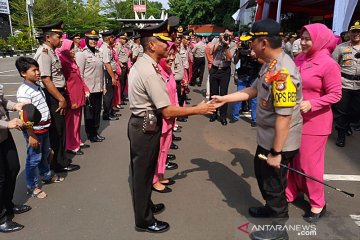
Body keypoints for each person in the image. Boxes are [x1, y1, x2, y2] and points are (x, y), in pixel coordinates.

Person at [211, 19, 302, 240]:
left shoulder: (282, 73)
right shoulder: (270, 63)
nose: (249, 44)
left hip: (279, 142)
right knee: (262, 176)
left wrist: (277, 153)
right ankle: (270, 209)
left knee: (274, 184)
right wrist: (224, 98)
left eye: (252, 40)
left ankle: (279, 231)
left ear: (263, 42)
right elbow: (253, 90)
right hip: (267, 138)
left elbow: (284, 116)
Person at [128, 19, 215, 233]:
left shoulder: (148, 64)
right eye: (164, 41)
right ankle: (144, 220)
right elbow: (167, 110)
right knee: (142, 176)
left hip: (145, 124)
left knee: (146, 173)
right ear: (151, 45)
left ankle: (146, 206)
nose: (169, 45)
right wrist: (199, 110)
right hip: (145, 126)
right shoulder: (149, 70)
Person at [285, 23, 342, 223]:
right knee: (293, 159)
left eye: (308, 38)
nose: (304, 41)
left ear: (320, 40)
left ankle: (318, 203)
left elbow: (336, 94)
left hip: (316, 122)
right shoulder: (299, 58)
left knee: (310, 165)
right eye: (302, 37)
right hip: (295, 119)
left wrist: (313, 103)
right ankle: (292, 192)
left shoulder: (328, 64)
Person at [33, 21, 80, 173]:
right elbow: (46, 80)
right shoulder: (44, 53)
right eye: (58, 36)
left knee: (60, 129)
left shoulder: (51, 51)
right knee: (57, 130)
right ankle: (58, 163)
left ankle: (60, 159)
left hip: (58, 93)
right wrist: (61, 98)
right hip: (53, 96)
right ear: (48, 37)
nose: (61, 39)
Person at [16, 57, 65, 199]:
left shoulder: (36, 86)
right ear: (23, 73)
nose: (38, 73)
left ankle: (46, 175)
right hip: (34, 131)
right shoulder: (24, 91)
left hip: (44, 128)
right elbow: (24, 116)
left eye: (38, 69)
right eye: (34, 70)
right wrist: (31, 134)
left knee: (45, 154)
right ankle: (32, 186)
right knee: (33, 159)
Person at [0, 84, 30, 233]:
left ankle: (8, 204)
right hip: (4, 128)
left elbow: (2, 101)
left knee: (13, 167)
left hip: (4, 135)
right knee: (0, 178)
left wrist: (15, 106)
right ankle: (1, 219)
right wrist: (7, 123)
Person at [152, 42, 178, 193]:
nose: (171, 57)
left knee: (164, 149)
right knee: (157, 150)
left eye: (173, 54)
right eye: (168, 54)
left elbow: (174, 94)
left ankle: (160, 174)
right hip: (161, 119)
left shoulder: (168, 71)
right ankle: (154, 179)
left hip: (170, 118)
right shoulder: (156, 74)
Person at [57, 39, 90, 155]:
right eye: (70, 48)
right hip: (71, 97)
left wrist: (85, 89)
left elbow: (79, 78)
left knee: (77, 121)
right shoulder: (63, 62)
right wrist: (68, 98)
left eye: (73, 48)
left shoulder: (71, 61)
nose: (72, 51)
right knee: (71, 123)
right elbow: (64, 82)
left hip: (79, 95)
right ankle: (71, 145)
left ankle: (77, 141)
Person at [332, 20, 360, 147]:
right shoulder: (341, 48)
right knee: (341, 111)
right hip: (344, 83)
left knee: (355, 111)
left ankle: (347, 125)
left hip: (359, 85)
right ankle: (341, 135)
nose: (356, 34)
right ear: (350, 32)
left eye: (359, 32)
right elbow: (332, 66)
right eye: (354, 31)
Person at [76, 30, 106, 143]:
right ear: (87, 40)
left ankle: (95, 131)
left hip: (98, 88)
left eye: (95, 39)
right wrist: (84, 89)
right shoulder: (81, 54)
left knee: (97, 111)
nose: (93, 41)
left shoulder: (98, 52)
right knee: (90, 113)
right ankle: (91, 133)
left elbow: (101, 71)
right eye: (91, 39)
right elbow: (80, 74)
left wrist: (103, 85)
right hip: (89, 89)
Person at [231, 38, 262, 126]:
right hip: (242, 76)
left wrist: (255, 56)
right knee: (238, 97)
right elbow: (235, 61)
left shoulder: (258, 51)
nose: (248, 44)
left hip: (253, 77)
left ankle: (254, 119)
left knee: (254, 100)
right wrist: (238, 51)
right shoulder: (242, 50)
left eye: (249, 42)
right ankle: (234, 116)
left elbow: (264, 62)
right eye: (246, 42)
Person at [209, 29, 237, 126]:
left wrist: (226, 46)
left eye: (229, 35)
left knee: (223, 94)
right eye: (226, 35)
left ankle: (223, 116)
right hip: (215, 69)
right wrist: (219, 42)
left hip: (225, 70)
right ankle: (213, 113)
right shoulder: (216, 40)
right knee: (213, 92)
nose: (227, 37)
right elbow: (211, 51)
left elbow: (229, 58)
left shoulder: (233, 44)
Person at [100, 30, 119, 121]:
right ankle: (107, 114)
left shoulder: (108, 48)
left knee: (111, 94)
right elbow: (107, 64)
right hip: (107, 74)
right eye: (112, 38)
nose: (114, 40)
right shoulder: (105, 49)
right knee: (108, 95)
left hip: (110, 73)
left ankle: (110, 111)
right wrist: (112, 77)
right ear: (108, 38)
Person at [116, 31, 131, 103]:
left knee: (124, 82)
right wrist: (121, 64)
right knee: (121, 83)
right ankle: (119, 98)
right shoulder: (118, 45)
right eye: (123, 39)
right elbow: (116, 57)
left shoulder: (123, 46)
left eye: (126, 39)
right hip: (121, 66)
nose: (125, 40)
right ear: (119, 39)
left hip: (124, 65)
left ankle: (121, 96)